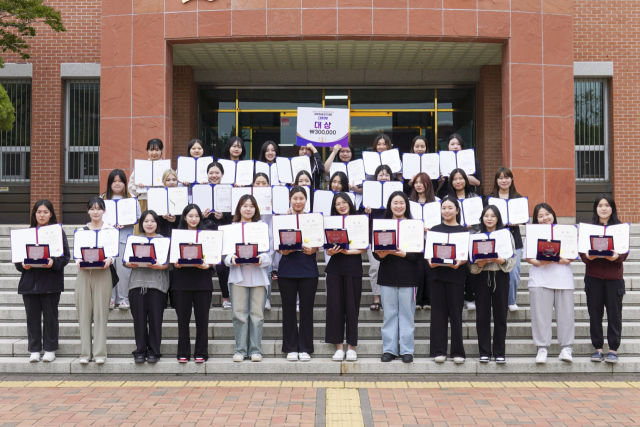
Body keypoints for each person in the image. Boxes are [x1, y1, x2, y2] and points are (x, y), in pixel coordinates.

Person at [16, 200, 70, 363]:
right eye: (39, 212)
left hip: (50, 283)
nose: (42, 215)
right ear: (34, 214)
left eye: (45, 212)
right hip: (30, 282)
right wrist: (22, 265)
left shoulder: (58, 233)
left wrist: (54, 262)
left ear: (51, 214)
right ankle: (34, 350)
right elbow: (18, 259)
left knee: (50, 317)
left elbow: (65, 257)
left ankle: (50, 349)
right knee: (32, 317)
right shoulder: (26, 233)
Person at [373, 191, 420, 364]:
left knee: (407, 315)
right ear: (390, 205)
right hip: (387, 277)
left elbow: (417, 256)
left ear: (406, 205)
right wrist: (383, 254)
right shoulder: (382, 225)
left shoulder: (414, 226)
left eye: (402, 202)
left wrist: (399, 253)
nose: (398, 206)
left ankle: (407, 350)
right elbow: (376, 255)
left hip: (409, 277)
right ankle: (390, 349)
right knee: (389, 315)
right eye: (395, 202)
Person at [581, 194, 628, 364]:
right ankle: (598, 349)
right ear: (595, 208)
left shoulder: (621, 229)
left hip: (614, 279)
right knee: (595, 314)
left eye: (607, 205)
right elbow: (582, 252)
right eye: (600, 205)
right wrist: (588, 257)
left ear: (612, 208)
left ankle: (613, 350)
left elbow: (624, 254)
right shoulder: (589, 229)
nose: (603, 208)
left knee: (614, 315)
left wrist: (615, 257)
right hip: (593, 278)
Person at [526, 203, 575, 364]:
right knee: (540, 316)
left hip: (563, 279)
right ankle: (542, 348)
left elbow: (571, 256)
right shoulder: (532, 233)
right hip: (539, 280)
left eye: (547, 214)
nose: (545, 218)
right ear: (536, 219)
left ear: (553, 214)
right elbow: (529, 257)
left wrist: (555, 258)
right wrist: (541, 262)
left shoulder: (565, 232)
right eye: (540, 216)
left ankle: (566, 348)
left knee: (566, 316)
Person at [225, 195, 272, 362]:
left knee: (257, 315)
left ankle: (255, 350)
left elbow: (269, 252)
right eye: (244, 205)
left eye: (251, 206)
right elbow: (225, 252)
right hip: (238, 277)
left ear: (256, 209)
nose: (248, 209)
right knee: (239, 314)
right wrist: (231, 259)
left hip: (258, 277)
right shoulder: (231, 228)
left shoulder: (262, 228)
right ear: (239, 208)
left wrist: (262, 260)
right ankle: (240, 349)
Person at [469, 205, 516, 364]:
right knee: (482, 315)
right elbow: (472, 265)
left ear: (498, 218)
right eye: (486, 215)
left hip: (500, 276)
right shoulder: (476, 236)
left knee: (500, 314)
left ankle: (499, 352)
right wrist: (480, 264)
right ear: (482, 218)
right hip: (482, 277)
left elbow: (512, 259)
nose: (489, 218)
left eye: (493, 216)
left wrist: (499, 260)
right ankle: (484, 352)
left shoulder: (506, 235)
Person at [277, 186, 319, 361]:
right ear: (289, 199)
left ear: (306, 200)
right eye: (295, 198)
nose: (298, 201)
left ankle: (305, 348)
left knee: (306, 310)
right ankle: (290, 347)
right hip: (287, 270)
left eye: (301, 198)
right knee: (288, 310)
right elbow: (276, 244)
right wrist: (282, 251)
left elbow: (320, 241)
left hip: (308, 268)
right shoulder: (283, 220)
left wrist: (314, 248)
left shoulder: (313, 219)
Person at [325, 192, 367, 362]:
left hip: (353, 267)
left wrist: (348, 251)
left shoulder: (359, 221)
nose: (341, 206)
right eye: (338, 203)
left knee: (352, 307)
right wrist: (329, 251)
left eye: (344, 202)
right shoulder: (330, 222)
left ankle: (351, 347)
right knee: (335, 308)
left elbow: (364, 248)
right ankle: (338, 347)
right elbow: (325, 247)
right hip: (335, 267)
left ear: (350, 203)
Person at [124, 210, 170, 364]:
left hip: (157, 285)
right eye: (146, 221)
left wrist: (162, 266)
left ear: (157, 223)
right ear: (141, 223)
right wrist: (129, 263)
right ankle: (140, 350)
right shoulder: (134, 240)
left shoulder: (163, 241)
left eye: (153, 221)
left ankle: (154, 351)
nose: (149, 224)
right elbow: (126, 261)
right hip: (137, 284)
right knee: (139, 320)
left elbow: (168, 264)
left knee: (156, 320)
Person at [428, 196, 469, 364]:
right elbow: (429, 253)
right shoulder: (435, 229)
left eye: (450, 208)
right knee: (438, 314)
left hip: (456, 276)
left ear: (457, 211)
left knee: (456, 315)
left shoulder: (464, 231)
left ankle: (458, 352)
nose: (446, 211)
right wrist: (429, 261)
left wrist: (461, 262)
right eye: (444, 208)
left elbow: (466, 255)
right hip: (437, 276)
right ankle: (439, 351)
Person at [75, 197, 115, 364]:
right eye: (92, 208)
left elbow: (112, 252)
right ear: (88, 211)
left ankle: (99, 354)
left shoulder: (110, 230)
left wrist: (109, 259)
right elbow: (77, 254)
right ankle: (85, 354)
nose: (96, 211)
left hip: (103, 273)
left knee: (100, 313)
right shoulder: (81, 231)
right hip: (84, 273)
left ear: (104, 210)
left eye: (99, 208)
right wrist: (79, 261)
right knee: (84, 313)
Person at [171, 204, 213, 363]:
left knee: (202, 320)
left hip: (202, 281)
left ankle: (201, 352)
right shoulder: (177, 236)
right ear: (184, 217)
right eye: (190, 216)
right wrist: (175, 262)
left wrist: (208, 265)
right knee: (183, 320)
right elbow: (172, 259)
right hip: (181, 282)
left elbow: (213, 258)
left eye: (196, 216)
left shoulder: (207, 236)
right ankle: (183, 352)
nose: (194, 219)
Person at [102, 169, 141, 310]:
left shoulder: (131, 199)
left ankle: (124, 298)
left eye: (120, 181)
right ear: (110, 184)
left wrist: (126, 223)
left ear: (125, 183)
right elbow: (98, 217)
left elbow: (138, 217)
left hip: (124, 238)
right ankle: (111, 299)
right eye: (114, 181)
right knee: (109, 270)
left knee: (123, 271)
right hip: (107, 240)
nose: (117, 184)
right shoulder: (103, 199)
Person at [488, 167, 525, 312]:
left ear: (511, 179)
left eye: (507, 177)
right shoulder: (490, 199)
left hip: (514, 238)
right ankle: (495, 300)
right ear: (496, 181)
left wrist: (518, 221)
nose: (504, 180)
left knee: (514, 272)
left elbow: (524, 219)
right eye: (501, 178)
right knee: (495, 271)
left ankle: (511, 300)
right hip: (496, 238)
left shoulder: (518, 198)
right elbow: (485, 218)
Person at [362, 164, 395, 311]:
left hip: (391, 237)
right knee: (375, 267)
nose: (384, 177)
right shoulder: (369, 194)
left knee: (390, 267)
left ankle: (389, 297)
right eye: (381, 174)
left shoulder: (396, 195)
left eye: (386, 174)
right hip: (373, 237)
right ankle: (377, 297)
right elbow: (362, 222)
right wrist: (367, 213)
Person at [447, 168, 480, 311]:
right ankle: (458, 297)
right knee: (457, 268)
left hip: (472, 235)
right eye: (455, 179)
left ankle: (470, 297)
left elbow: (481, 218)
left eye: (461, 178)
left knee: (471, 269)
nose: (458, 181)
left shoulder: (474, 197)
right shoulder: (448, 199)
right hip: (455, 237)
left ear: (465, 180)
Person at [201, 161, 232, 310]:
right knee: (206, 267)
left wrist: (223, 216)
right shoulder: (200, 190)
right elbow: (190, 213)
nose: (214, 175)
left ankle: (226, 297)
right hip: (206, 232)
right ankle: (206, 298)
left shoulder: (228, 190)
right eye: (211, 173)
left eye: (217, 173)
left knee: (221, 267)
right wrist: (201, 216)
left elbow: (234, 215)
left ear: (222, 174)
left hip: (223, 232)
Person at [409, 172, 438, 310]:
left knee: (430, 269)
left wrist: (431, 228)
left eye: (422, 182)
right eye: (416, 182)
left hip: (431, 239)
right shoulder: (409, 202)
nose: (419, 185)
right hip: (415, 241)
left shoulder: (437, 202)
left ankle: (429, 300)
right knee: (418, 270)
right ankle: (418, 300)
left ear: (428, 184)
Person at [128, 138, 166, 234]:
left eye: (157, 150)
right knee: (141, 229)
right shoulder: (141, 166)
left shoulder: (166, 167)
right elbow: (130, 187)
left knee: (158, 229)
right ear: (147, 151)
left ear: (161, 150)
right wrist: (138, 187)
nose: (154, 152)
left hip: (160, 202)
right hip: (143, 201)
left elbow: (173, 184)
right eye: (151, 150)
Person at [253, 172, 274, 310]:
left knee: (268, 265)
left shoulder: (274, 198)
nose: (261, 186)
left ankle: (267, 298)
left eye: (264, 183)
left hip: (269, 235)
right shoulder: (248, 201)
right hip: (253, 235)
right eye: (257, 183)